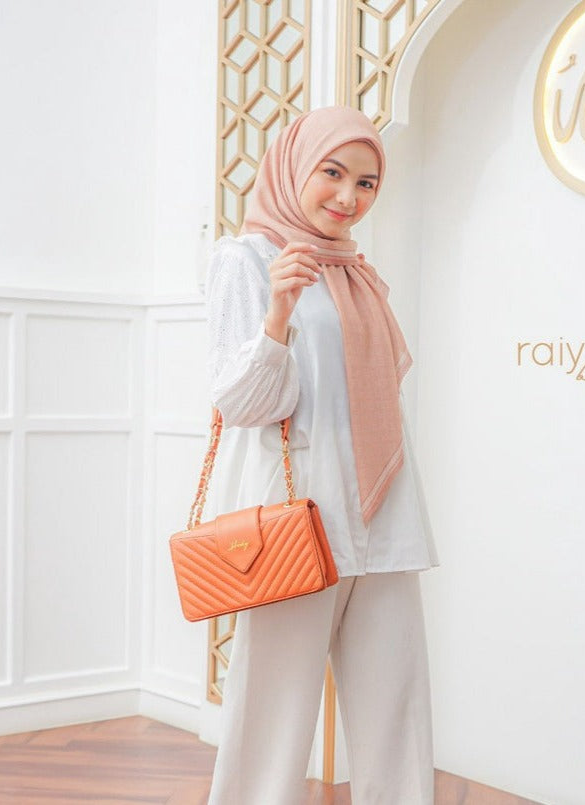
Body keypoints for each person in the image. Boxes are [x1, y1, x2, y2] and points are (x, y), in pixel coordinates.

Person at [202, 105, 440, 805]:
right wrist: (277, 316)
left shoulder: (356, 271)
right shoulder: (245, 260)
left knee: (397, 707)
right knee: (271, 714)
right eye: (332, 173)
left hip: (384, 510)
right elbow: (242, 405)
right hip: (294, 517)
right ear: (293, 169)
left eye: (367, 183)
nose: (347, 196)